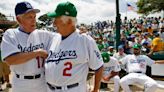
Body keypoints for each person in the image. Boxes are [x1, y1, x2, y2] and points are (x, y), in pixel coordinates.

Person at [45, 1, 104, 92]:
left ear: (68, 21)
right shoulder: (54, 38)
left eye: (57, 19)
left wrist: (95, 89)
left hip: (73, 89)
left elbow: (99, 66)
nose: (54, 23)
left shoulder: (84, 40)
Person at [1, 1, 59, 92]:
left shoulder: (43, 34)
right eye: (29, 17)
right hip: (21, 83)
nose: (33, 20)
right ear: (19, 19)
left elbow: (63, 36)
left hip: (42, 82)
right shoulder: (11, 34)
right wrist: (38, 53)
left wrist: (79, 33)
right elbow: (10, 60)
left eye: (34, 17)